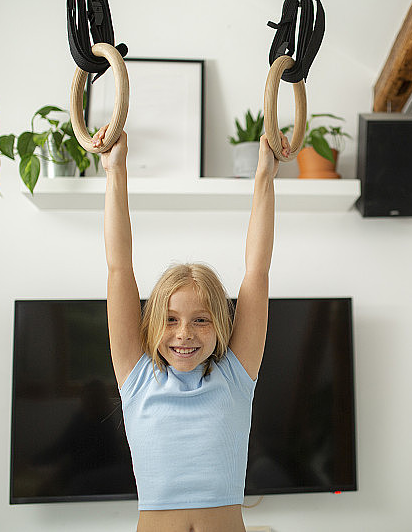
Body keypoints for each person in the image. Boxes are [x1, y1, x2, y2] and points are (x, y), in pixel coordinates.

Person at [95, 124, 289, 532]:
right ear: (152, 324)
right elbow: (118, 269)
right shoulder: (137, 378)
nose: (184, 334)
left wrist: (264, 177)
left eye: (201, 320)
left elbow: (258, 272)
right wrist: (115, 170)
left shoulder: (235, 376)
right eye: (170, 319)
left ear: (220, 325)